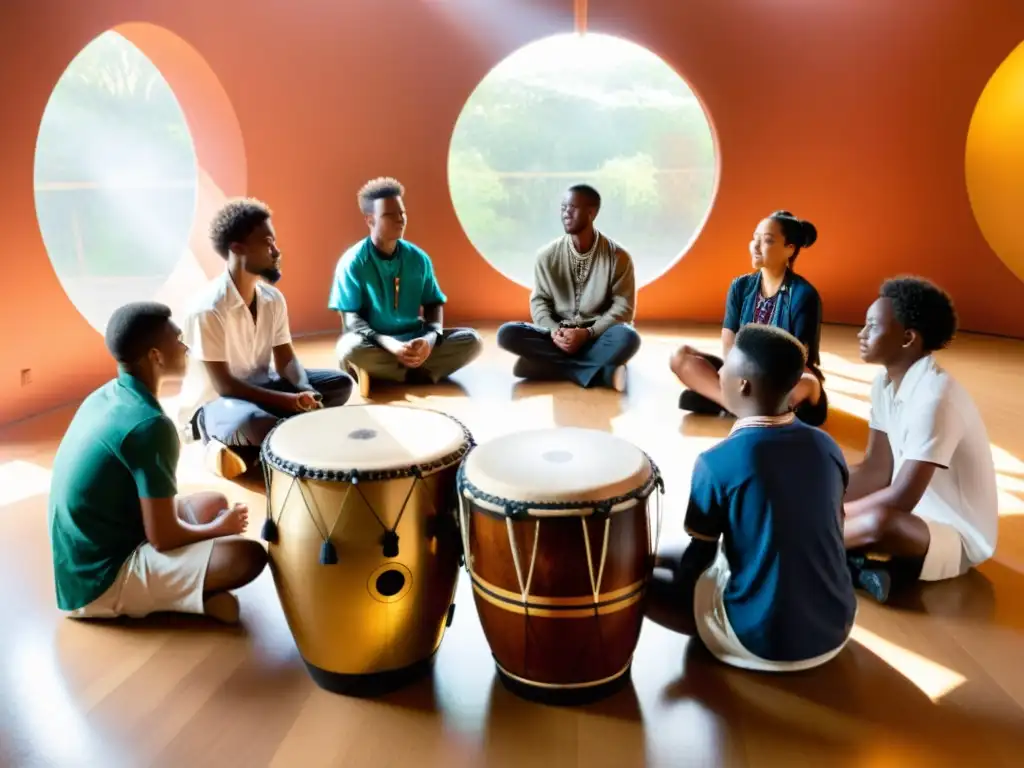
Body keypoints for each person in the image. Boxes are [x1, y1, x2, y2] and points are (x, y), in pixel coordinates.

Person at [647, 324, 856, 671]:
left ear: (742, 384)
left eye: (725, 367)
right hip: (835, 630)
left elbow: (698, 558)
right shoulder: (827, 447)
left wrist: (676, 595)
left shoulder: (716, 462)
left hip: (763, 643)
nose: (719, 372)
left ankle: (720, 635)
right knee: (665, 554)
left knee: (636, 579)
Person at [48, 302, 267, 624]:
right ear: (156, 356)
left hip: (85, 556)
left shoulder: (108, 395)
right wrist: (220, 528)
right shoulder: (150, 426)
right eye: (178, 340)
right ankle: (182, 600)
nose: (185, 347)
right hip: (100, 580)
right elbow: (163, 537)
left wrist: (211, 524)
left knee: (213, 501)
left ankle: (184, 591)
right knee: (248, 556)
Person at [843, 277, 998, 603]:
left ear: (907, 338)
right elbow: (876, 470)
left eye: (872, 326)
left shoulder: (936, 398)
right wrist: (821, 491)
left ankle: (801, 542)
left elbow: (900, 499)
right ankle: (854, 565)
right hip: (911, 516)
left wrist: (828, 515)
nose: (861, 333)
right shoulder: (884, 384)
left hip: (956, 537)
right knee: (825, 484)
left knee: (878, 522)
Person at [177, 198, 354, 478]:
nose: (276, 251)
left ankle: (251, 444)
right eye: (267, 243)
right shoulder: (207, 309)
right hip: (218, 402)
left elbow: (285, 357)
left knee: (340, 384)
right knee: (256, 422)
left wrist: (303, 388)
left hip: (263, 387)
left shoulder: (272, 299)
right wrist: (289, 402)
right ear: (237, 249)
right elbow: (225, 386)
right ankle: (212, 440)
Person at [329, 177, 483, 397]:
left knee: (472, 341)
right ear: (370, 220)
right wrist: (391, 345)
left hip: (414, 339)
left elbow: (433, 303)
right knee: (350, 350)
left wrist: (430, 338)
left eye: (402, 213)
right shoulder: (353, 261)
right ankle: (419, 372)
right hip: (373, 342)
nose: (400, 219)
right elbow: (351, 319)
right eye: (389, 215)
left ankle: (395, 373)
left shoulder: (418, 258)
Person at [671, 210, 827, 425]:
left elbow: (799, 359)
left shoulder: (803, 294)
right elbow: (729, 338)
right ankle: (751, 409)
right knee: (681, 356)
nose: (755, 246)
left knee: (808, 384)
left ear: (789, 249)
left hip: (784, 379)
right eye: (755, 238)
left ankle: (726, 402)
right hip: (742, 373)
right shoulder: (740, 286)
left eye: (767, 241)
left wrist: (758, 380)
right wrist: (732, 370)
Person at [496, 184, 640, 391]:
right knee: (507, 334)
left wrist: (588, 333)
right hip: (557, 338)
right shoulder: (546, 255)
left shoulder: (619, 257)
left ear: (592, 212)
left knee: (628, 337)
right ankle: (603, 374)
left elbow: (623, 308)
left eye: (573, 207)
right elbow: (540, 302)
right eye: (563, 207)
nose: (566, 213)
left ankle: (543, 367)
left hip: (597, 336)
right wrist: (555, 331)